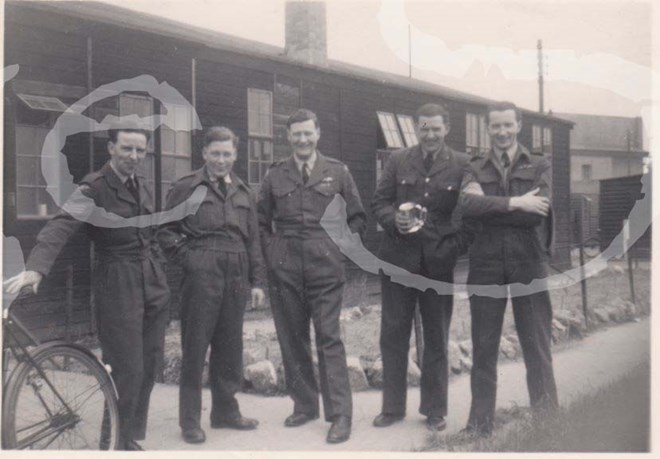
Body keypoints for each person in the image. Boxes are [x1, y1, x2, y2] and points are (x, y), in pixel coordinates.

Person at [4, 127, 170, 451]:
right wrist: (37, 267)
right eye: (127, 149)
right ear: (111, 148)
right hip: (117, 282)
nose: (134, 157)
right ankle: (115, 443)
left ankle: (127, 435)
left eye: (140, 151)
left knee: (149, 364)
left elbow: (152, 233)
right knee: (127, 367)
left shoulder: (143, 186)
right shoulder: (94, 187)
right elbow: (62, 223)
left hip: (151, 281)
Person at [257, 109, 366, 444]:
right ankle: (304, 405)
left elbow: (358, 217)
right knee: (291, 337)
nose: (302, 140)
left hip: (324, 266)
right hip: (285, 265)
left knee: (328, 337)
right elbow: (260, 222)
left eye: (308, 133)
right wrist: (273, 255)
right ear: (288, 137)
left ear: (318, 134)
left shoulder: (337, 171)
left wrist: (337, 248)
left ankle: (340, 415)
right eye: (296, 134)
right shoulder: (275, 174)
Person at [371, 103, 479, 431]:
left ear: (446, 129)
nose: (429, 134)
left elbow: (469, 216)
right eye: (424, 128)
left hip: (438, 264)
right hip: (398, 261)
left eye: (435, 128)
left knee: (436, 337)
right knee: (393, 335)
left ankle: (435, 409)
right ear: (417, 129)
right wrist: (395, 220)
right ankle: (392, 408)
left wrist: (452, 250)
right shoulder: (398, 159)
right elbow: (379, 203)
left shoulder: (462, 164)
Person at [157, 127, 266, 444]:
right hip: (202, 271)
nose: (221, 160)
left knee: (231, 346)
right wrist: (190, 259)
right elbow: (165, 231)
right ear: (204, 153)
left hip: (236, 271)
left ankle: (225, 412)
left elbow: (254, 240)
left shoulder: (245, 191)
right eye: (215, 153)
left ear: (235, 155)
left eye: (227, 154)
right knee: (195, 346)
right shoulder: (186, 187)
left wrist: (256, 281)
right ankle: (190, 421)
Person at [460, 101, 558, 437]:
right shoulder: (474, 166)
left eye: (507, 125)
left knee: (537, 343)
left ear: (519, 125)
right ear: (487, 129)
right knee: (484, 346)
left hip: (528, 261)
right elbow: (467, 206)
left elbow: (538, 212)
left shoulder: (540, 164)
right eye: (495, 126)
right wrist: (516, 202)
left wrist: (490, 207)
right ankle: (479, 424)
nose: (501, 132)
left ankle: (547, 421)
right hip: (485, 264)